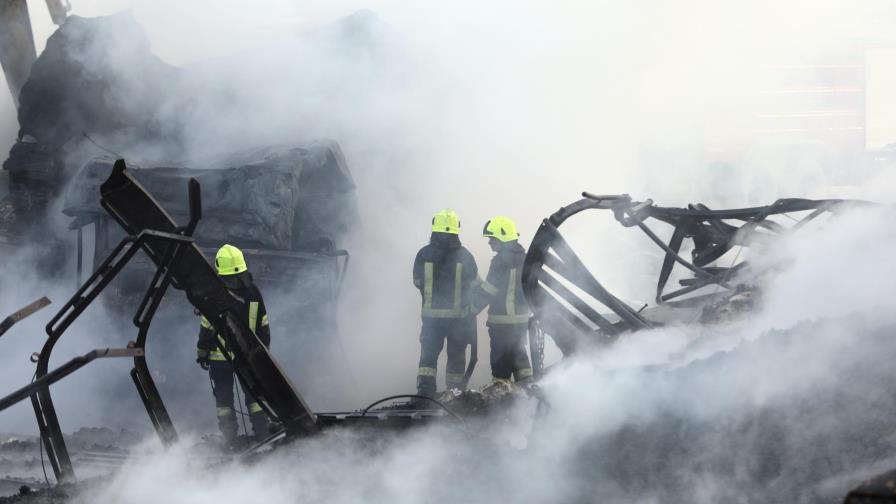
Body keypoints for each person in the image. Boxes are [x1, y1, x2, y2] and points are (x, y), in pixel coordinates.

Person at [196, 244, 271, 444]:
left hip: (220, 359)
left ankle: (229, 439)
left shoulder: (215, 293)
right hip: (250, 357)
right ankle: (263, 436)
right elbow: (264, 325)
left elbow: (206, 328)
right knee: (255, 397)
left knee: (224, 401)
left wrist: (202, 352)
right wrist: (264, 354)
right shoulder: (254, 292)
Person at [412, 209, 479, 397]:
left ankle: (425, 395)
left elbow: (417, 281)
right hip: (458, 320)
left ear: (435, 228)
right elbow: (475, 286)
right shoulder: (465, 256)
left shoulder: (423, 254)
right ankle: (454, 395)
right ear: (456, 230)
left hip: (431, 320)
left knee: (428, 358)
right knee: (456, 358)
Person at [471, 216, 533, 384]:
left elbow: (489, 290)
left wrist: (473, 308)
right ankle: (528, 393)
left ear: (502, 237)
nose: (490, 242)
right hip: (521, 322)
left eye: (492, 238)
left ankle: (502, 398)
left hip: (502, 323)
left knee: (500, 363)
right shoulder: (526, 258)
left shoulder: (500, 261)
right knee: (520, 357)